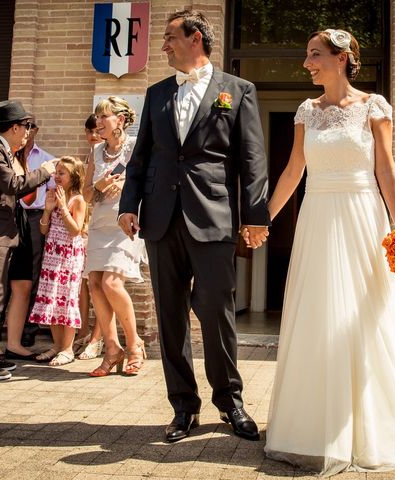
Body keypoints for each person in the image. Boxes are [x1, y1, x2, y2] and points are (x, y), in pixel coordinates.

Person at [262, 29, 395, 475]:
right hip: (318, 214)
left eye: (315, 54)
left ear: (342, 58)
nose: (307, 63)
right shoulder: (306, 110)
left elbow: (386, 168)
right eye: (306, 54)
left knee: (367, 311)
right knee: (318, 310)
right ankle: (310, 422)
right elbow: (294, 169)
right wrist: (264, 218)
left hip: (364, 215)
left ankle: (374, 418)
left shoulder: (374, 105)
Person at [118, 10, 270, 443]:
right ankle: (183, 408)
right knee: (170, 317)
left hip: (214, 218)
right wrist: (130, 205)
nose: (162, 45)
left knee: (217, 313)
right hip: (161, 220)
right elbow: (141, 157)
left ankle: (230, 402)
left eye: (169, 37)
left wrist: (255, 216)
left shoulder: (238, 91)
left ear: (196, 38)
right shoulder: (157, 93)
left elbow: (252, 160)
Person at [0, 100, 56, 381]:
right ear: (15, 127)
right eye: (26, 126)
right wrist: (46, 171)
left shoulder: (6, 150)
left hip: (2, 233)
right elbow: (13, 186)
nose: (29, 131)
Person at [83, 96, 146, 377]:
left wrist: (127, 185)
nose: (98, 123)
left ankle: (134, 346)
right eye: (96, 118)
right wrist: (99, 184)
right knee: (95, 283)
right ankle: (112, 349)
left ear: (120, 120)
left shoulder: (135, 148)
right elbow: (84, 194)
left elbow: (148, 181)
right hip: (99, 224)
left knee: (111, 282)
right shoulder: (95, 152)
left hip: (125, 222)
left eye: (103, 117)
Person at [2, 118, 56, 359]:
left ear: (35, 130)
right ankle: (2, 329)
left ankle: (28, 329)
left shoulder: (46, 159)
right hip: (8, 216)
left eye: (30, 126)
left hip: (33, 217)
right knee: (3, 274)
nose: (26, 131)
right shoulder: (6, 155)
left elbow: (54, 191)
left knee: (31, 273)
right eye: (22, 126)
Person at [29, 156, 87, 366]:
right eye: (57, 172)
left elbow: (75, 230)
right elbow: (44, 230)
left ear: (74, 177)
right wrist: (47, 209)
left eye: (62, 173)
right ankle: (56, 345)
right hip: (52, 254)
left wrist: (62, 207)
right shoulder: (53, 195)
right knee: (52, 300)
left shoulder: (77, 200)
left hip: (69, 256)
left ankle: (68, 348)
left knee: (66, 299)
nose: (57, 176)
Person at [73, 113, 104, 360]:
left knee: (104, 284)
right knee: (83, 284)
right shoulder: (86, 158)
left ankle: (98, 336)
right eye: (89, 131)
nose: (93, 135)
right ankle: (83, 332)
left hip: (108, 225)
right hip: (86, 228)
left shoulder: (111, 156)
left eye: (97, 130)